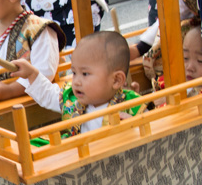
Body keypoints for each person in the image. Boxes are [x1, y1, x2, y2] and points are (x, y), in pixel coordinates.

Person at [9, 31, 141, 139]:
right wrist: (32, 74)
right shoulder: (71, 98)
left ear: (116, 80)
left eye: (85, 74)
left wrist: (134, 126)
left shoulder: (130, 105)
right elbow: (49, 95)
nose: (76, 81)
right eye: (74, 73)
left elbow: (154, 132)